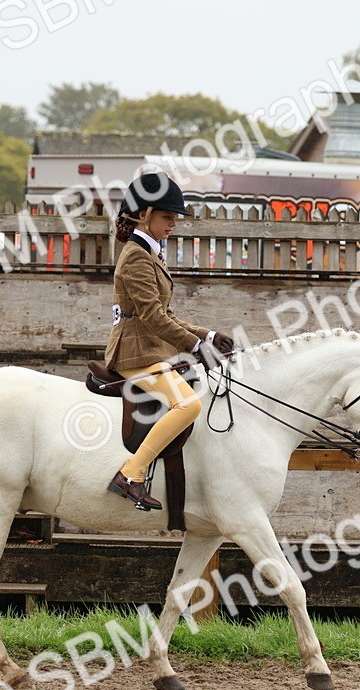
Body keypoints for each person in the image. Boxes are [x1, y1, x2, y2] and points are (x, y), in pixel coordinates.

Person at [105, 172, 234, 510]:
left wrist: (207, 335)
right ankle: (130, 474)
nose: (173, 223)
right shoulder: (135, 256)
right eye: (167, 216)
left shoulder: (150, 254)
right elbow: (153, 317)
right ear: (144, 214)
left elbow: (167, 313)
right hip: (136, 354)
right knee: (188, 404)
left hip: (152, 350)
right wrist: (194, 348)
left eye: (175, 217)